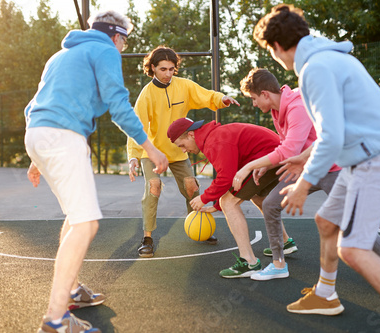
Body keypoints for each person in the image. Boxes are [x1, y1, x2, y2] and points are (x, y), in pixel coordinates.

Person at [253, 5, 380, 333]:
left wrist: (304, 184)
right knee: (326, 221)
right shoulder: (326, 59)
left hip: (373, 158)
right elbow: (332, 131)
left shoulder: (315, 69)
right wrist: (305, 158)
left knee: (352, 248)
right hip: (364, 155)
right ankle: (325, 295)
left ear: (277, 47)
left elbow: (333, 137)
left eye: (270, 50)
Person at [25, 10, 168, 333]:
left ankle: (72, 289)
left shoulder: (60, 55)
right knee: (86, 224)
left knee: (76, 216)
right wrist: (150, 147)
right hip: (64, 136)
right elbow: (118, 104)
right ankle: (56, 318)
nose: (122, 47)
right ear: (117, 36)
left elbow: (31, 107)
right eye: (125, 41)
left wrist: (36, 154)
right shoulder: (104, 50)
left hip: (38, 134)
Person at [236, 68, 380, 288]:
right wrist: (265, 165)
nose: (253, 104)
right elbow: (290, 146)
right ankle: (279, 264)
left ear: (265, 94)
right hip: (306, 169)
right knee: (271, 203)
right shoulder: (277, 110)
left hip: (332, 168)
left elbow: (291, 149)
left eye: (253, 99)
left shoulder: (297, 107)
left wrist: (250, 166)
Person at [127, 46, 239, 258]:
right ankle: (147, 238)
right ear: (153, 68)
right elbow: (136, 126)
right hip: (152, 153)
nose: (168, 74)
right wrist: (133, 155)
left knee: (191, 187)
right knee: (154, 186)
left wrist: (221, 99)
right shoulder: (146, 95)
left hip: (178, 152)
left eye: (171, 69)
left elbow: (205, 95)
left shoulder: (184, 86)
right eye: (163, 69)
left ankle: (200, 227)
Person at [167, 118, 280, 278]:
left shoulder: (215, 141)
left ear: (191, 135)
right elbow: (231, 174)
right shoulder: (213, 136)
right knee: (256, 197)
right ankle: (284, 242)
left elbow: (226, 177)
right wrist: (217, 205)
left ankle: (249, 262)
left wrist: (205, 198)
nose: (184, 150)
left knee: (229, 202)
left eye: (182, 145)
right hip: (274, 152)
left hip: (270, 156)